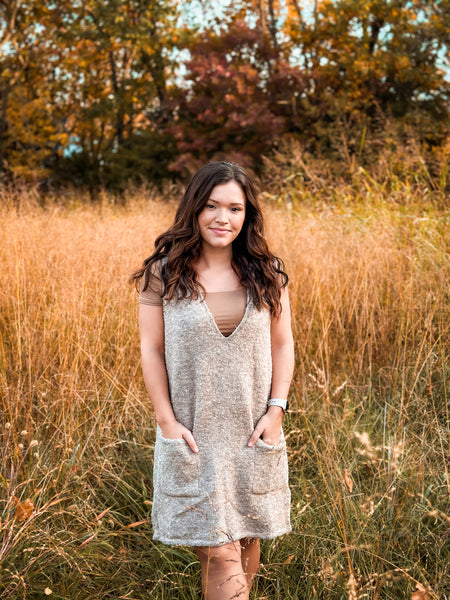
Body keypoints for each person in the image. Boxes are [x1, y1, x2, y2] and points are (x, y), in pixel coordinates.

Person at [131, 161, 294, 600]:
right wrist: (166, 422)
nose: (223, 218)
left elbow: (283, 346)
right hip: (192, 433)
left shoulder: (268, 272)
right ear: (194, 209)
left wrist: (276, 412)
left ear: (247, 215)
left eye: (235, 209)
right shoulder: (162, 274)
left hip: (251, 429)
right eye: (212, 205)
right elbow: (151, 349)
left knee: (246, 539)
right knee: (219, 552)